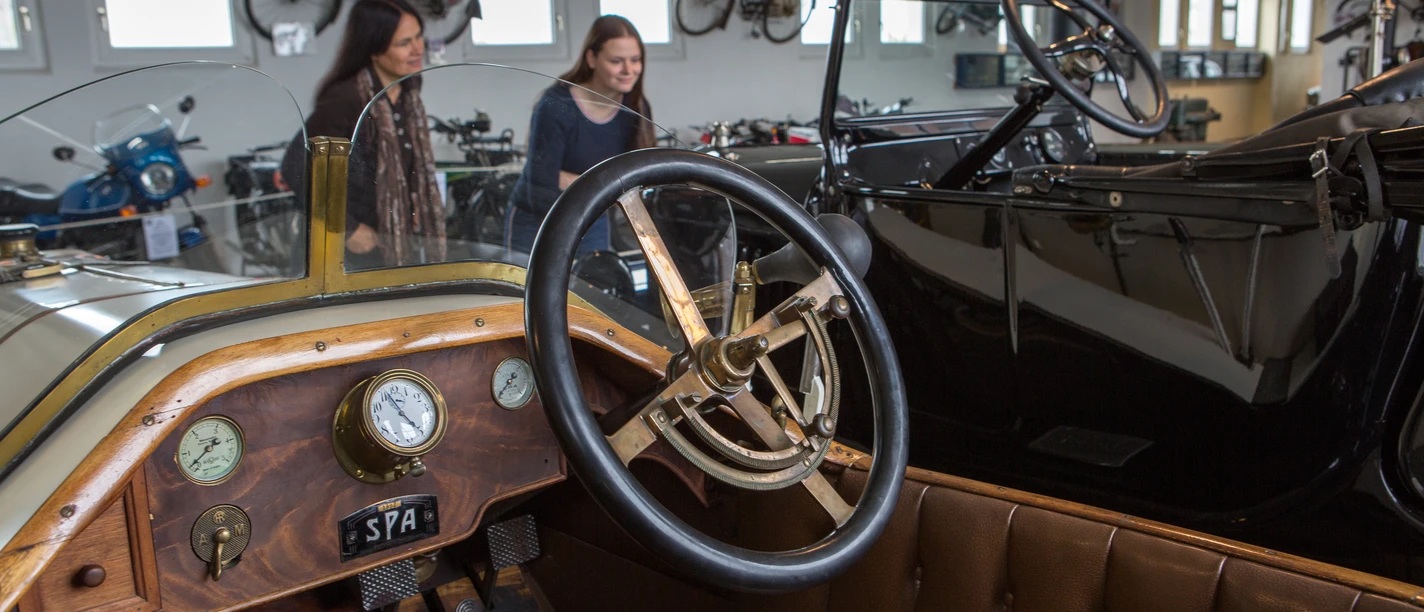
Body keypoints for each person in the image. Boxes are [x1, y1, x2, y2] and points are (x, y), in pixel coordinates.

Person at [282, 0, 445, 269]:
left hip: (391, 239)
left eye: (418, 37)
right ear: (374, 49)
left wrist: (414, 200)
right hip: (343, 252)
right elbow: (295, 167)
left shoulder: (409, 87)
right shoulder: (344, 99)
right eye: (404, 43)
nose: (418, 49)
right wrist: (347, 228)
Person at [506, 15, 657, 258]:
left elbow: (636, 174)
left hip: (592, 215)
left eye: (635, 60)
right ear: (591, 58)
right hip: (536, 220)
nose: (628, 70)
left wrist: (570, 179)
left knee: (589, 289)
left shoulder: (636, 107)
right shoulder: (556, 104)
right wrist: (600, 183)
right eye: (616, 61)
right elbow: (542, 180)